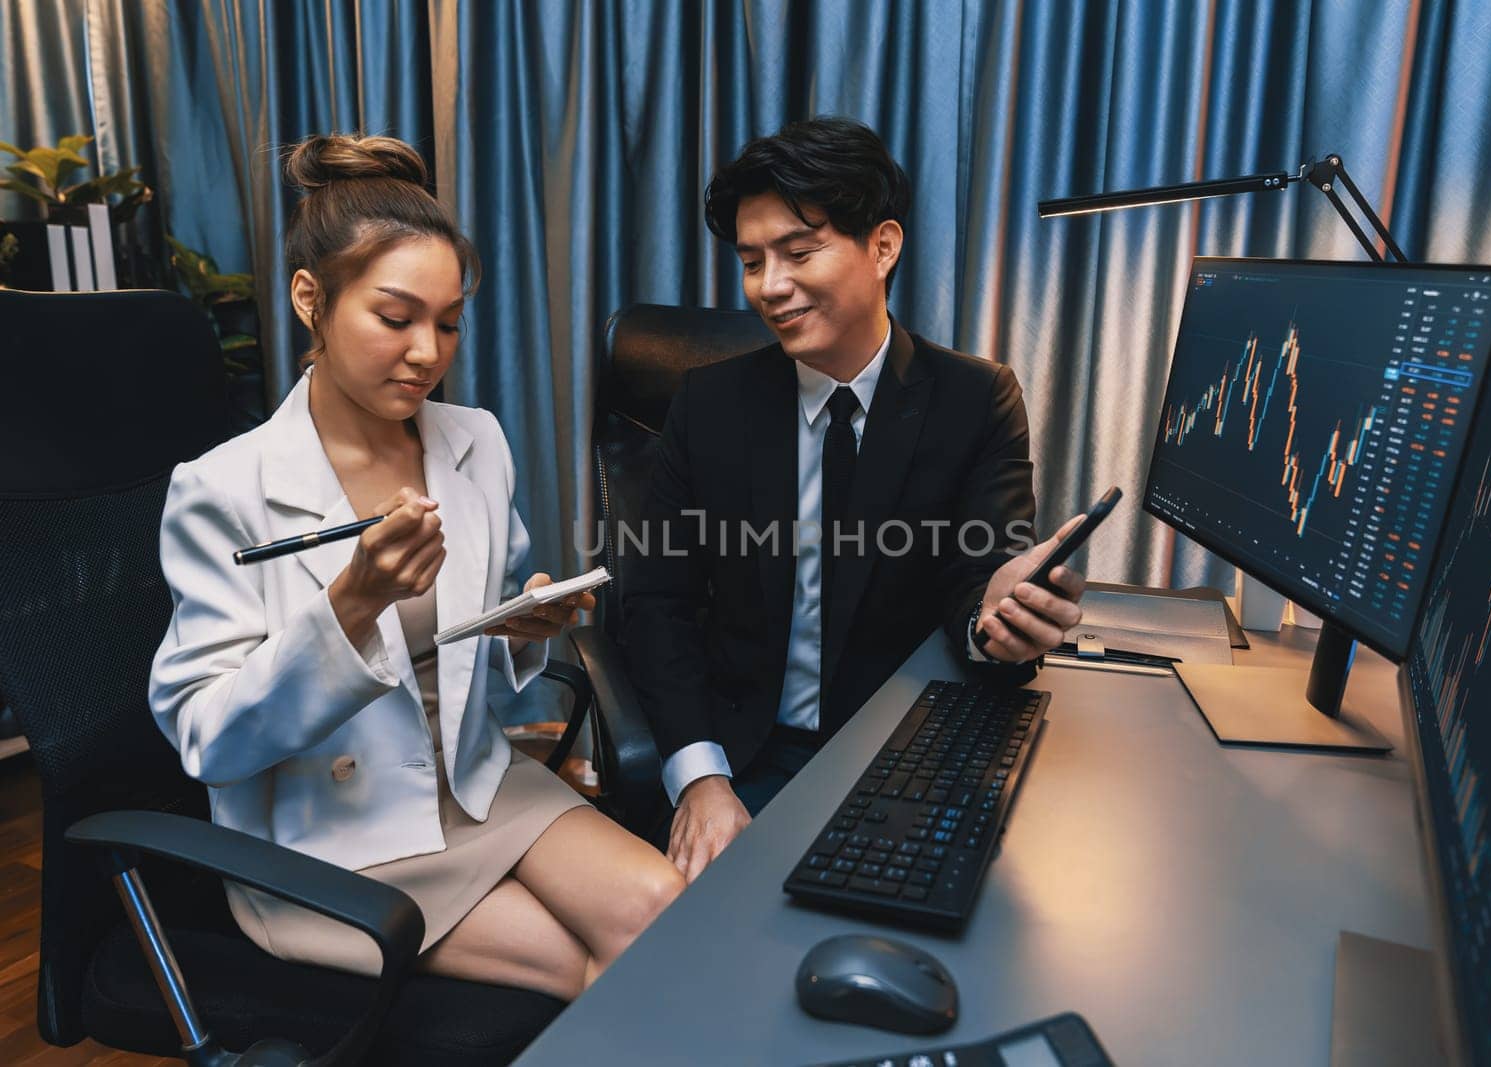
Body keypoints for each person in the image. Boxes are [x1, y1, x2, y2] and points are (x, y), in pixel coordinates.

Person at [149, 134, 682, 998]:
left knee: (665, 910)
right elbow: (208, 738)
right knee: (598, 972)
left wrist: (524, 625)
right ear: (310, 299)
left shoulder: (473, 442)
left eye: (447, 322)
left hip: (474, 783)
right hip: (333, 833)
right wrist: (350, 604)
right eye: (396, 319)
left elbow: (496, 671)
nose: (428, 352)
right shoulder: (222, 487)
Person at [623, 117, 1086, 883]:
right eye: (750, 261)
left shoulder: (976, 399)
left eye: (799, 252)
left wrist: (995, 618)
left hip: (904, 758)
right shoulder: (708, 406)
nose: (769, 286)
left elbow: (982, 576)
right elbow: (655, 602)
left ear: (882, 246)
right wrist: (702, 780)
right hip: (748, 759)